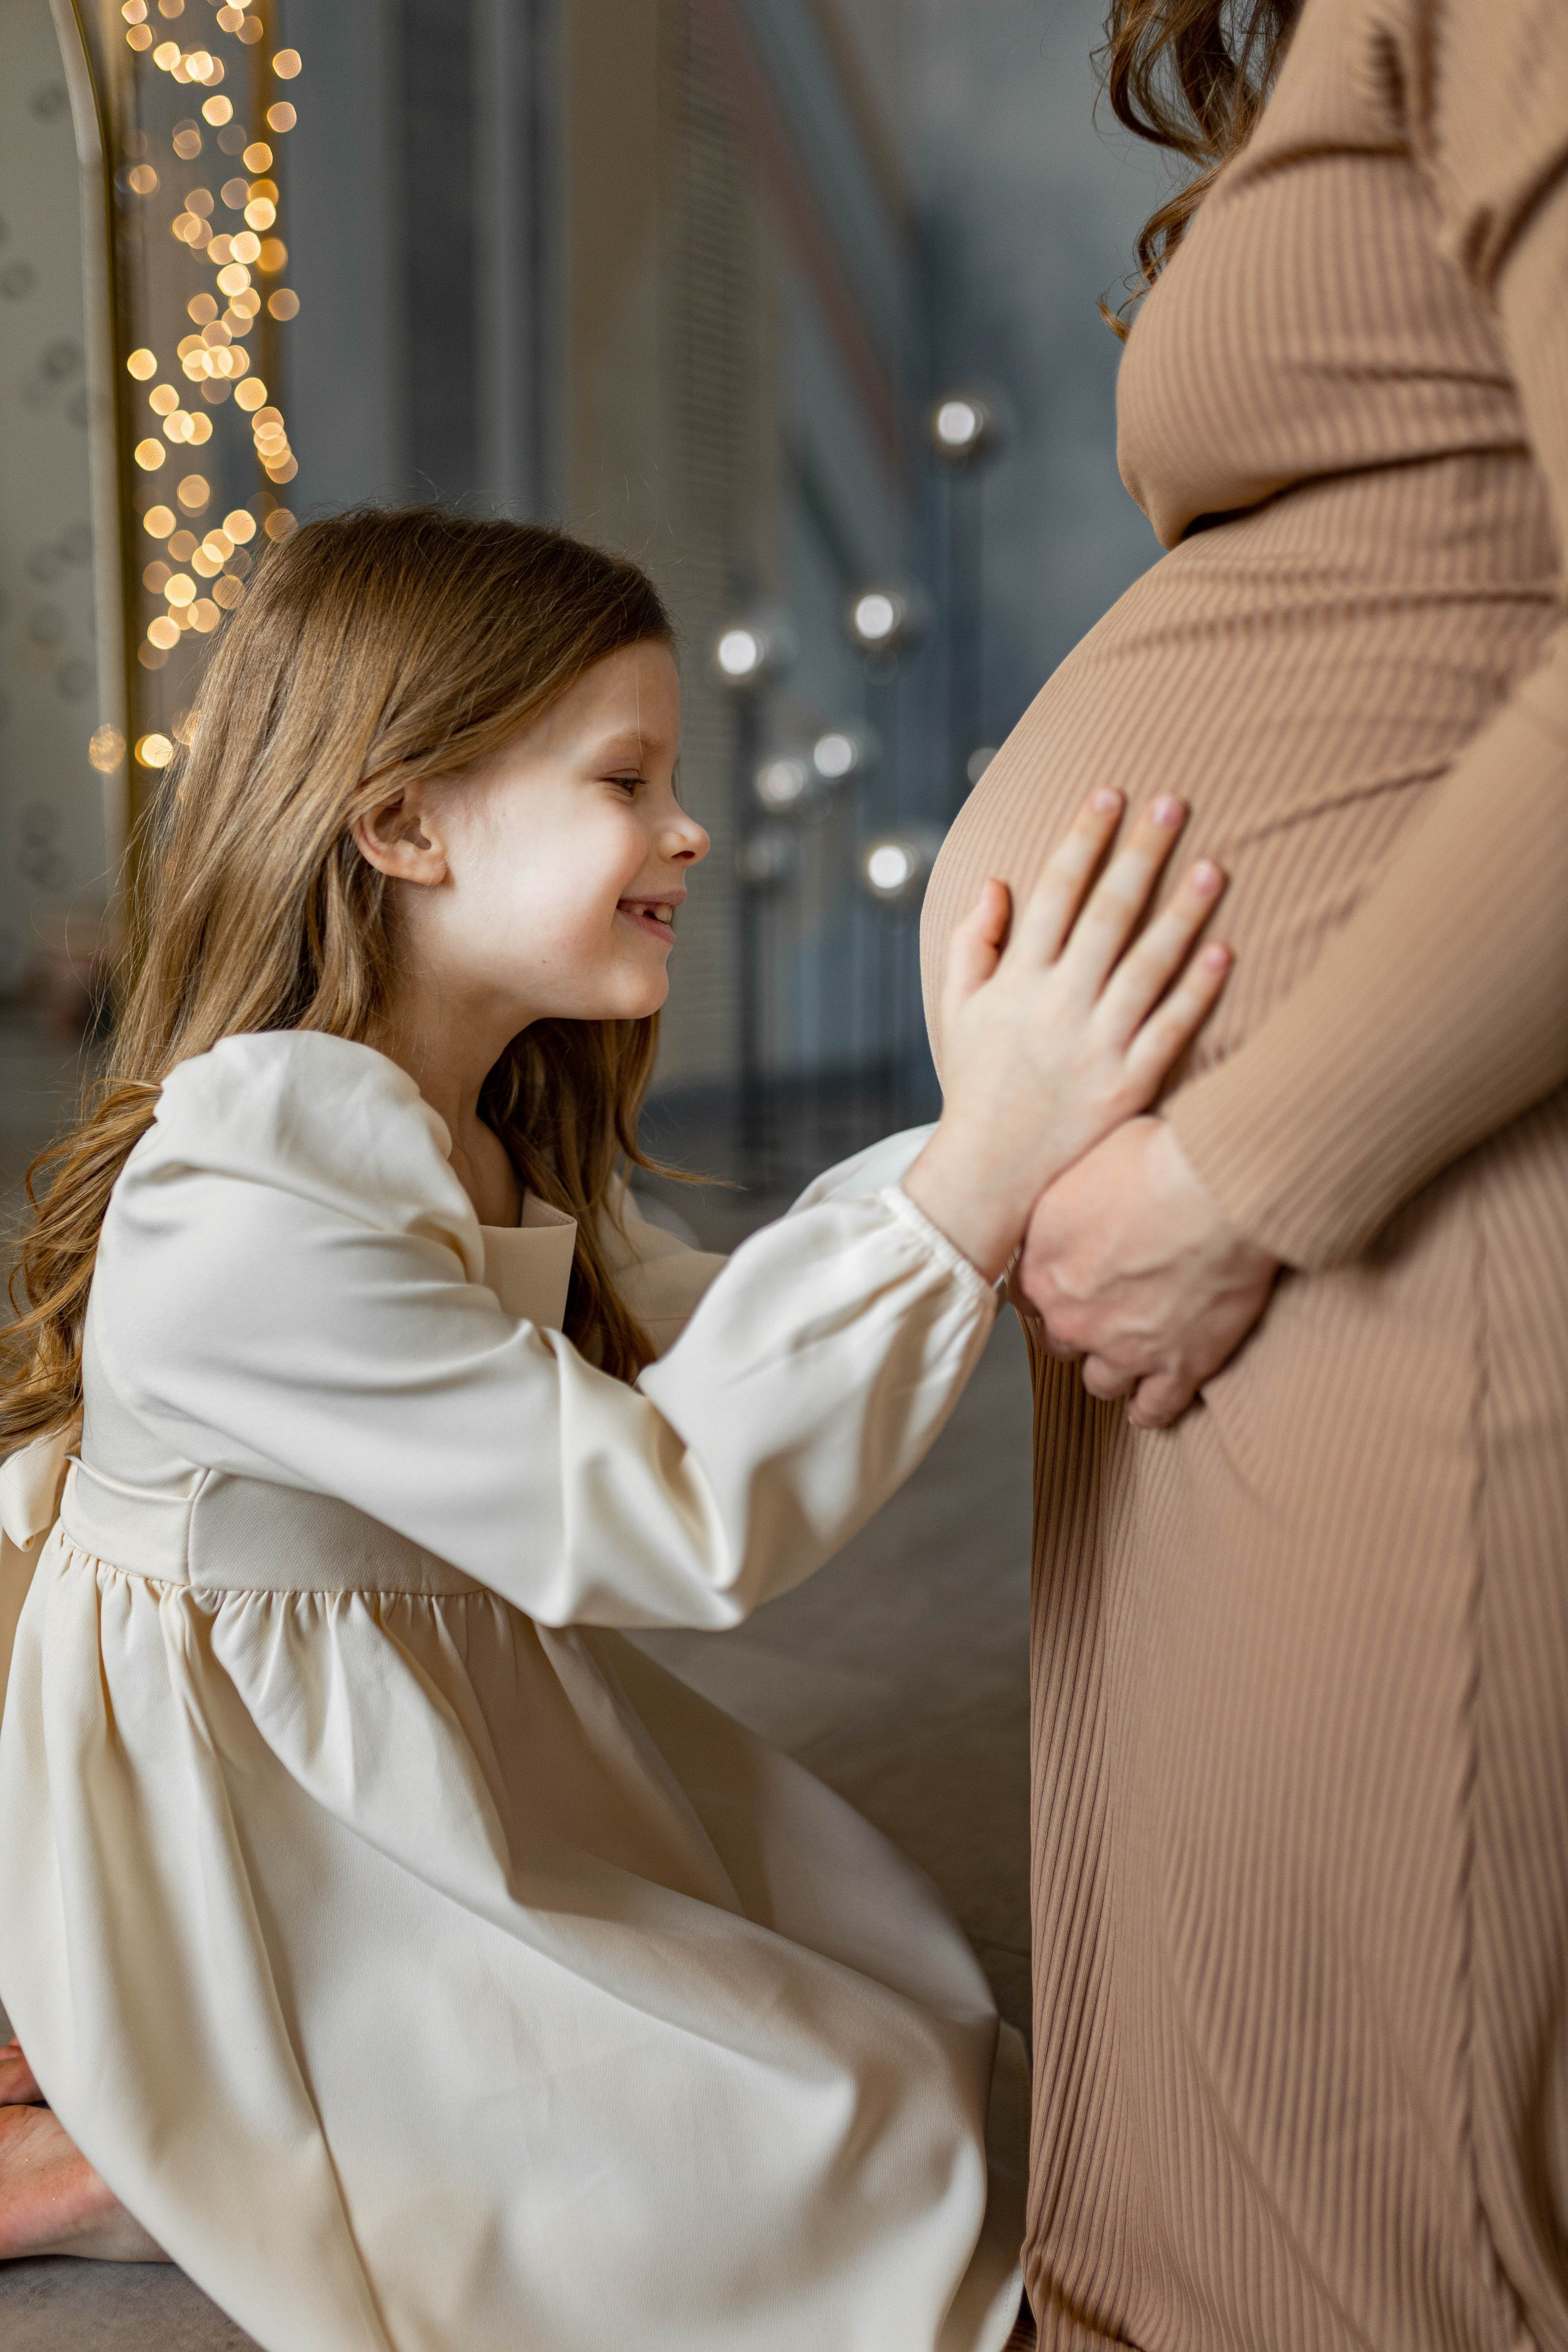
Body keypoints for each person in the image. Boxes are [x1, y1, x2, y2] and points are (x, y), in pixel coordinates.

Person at [0, 509, 1232, 2352]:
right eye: (626, 779)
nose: (688, 831)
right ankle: (169, 2120)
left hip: (413, 1742)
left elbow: (715, 1338)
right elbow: (669, 1516)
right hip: (268, 1833)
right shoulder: (249, 1188)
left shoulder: (462, 1123)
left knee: (888, 2023)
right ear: (403, 824)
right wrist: (984, 1159)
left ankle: (186, 2137)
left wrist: (1010, 1140)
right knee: (822, 2163)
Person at [920, 0, 1568, 2344]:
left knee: (1364, 2224)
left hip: (1388, 1225)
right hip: (1259, 1278)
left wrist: (1249, 1174)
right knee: (1218, 2170)